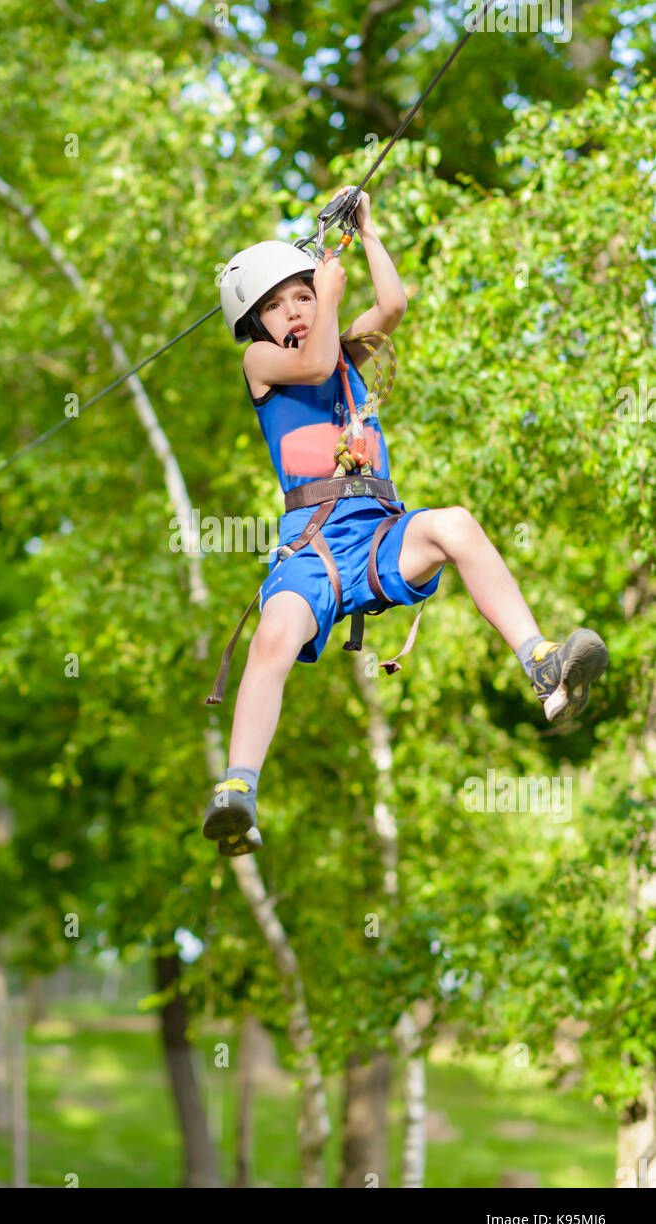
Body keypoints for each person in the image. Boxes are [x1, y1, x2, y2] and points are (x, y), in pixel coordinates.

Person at [202, 186, 609, 857]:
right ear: (257, 329)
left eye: (300, 295)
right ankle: (237, 792)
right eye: (275, 308)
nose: (294, 311)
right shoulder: (263, 364)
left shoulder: (341, 356)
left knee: (454, 524)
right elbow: (308, 358)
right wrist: (328, 297)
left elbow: (391, 306)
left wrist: (365, 231)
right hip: (312, 548)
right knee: (272, 637)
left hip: (376, 535)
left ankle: (540, 661)